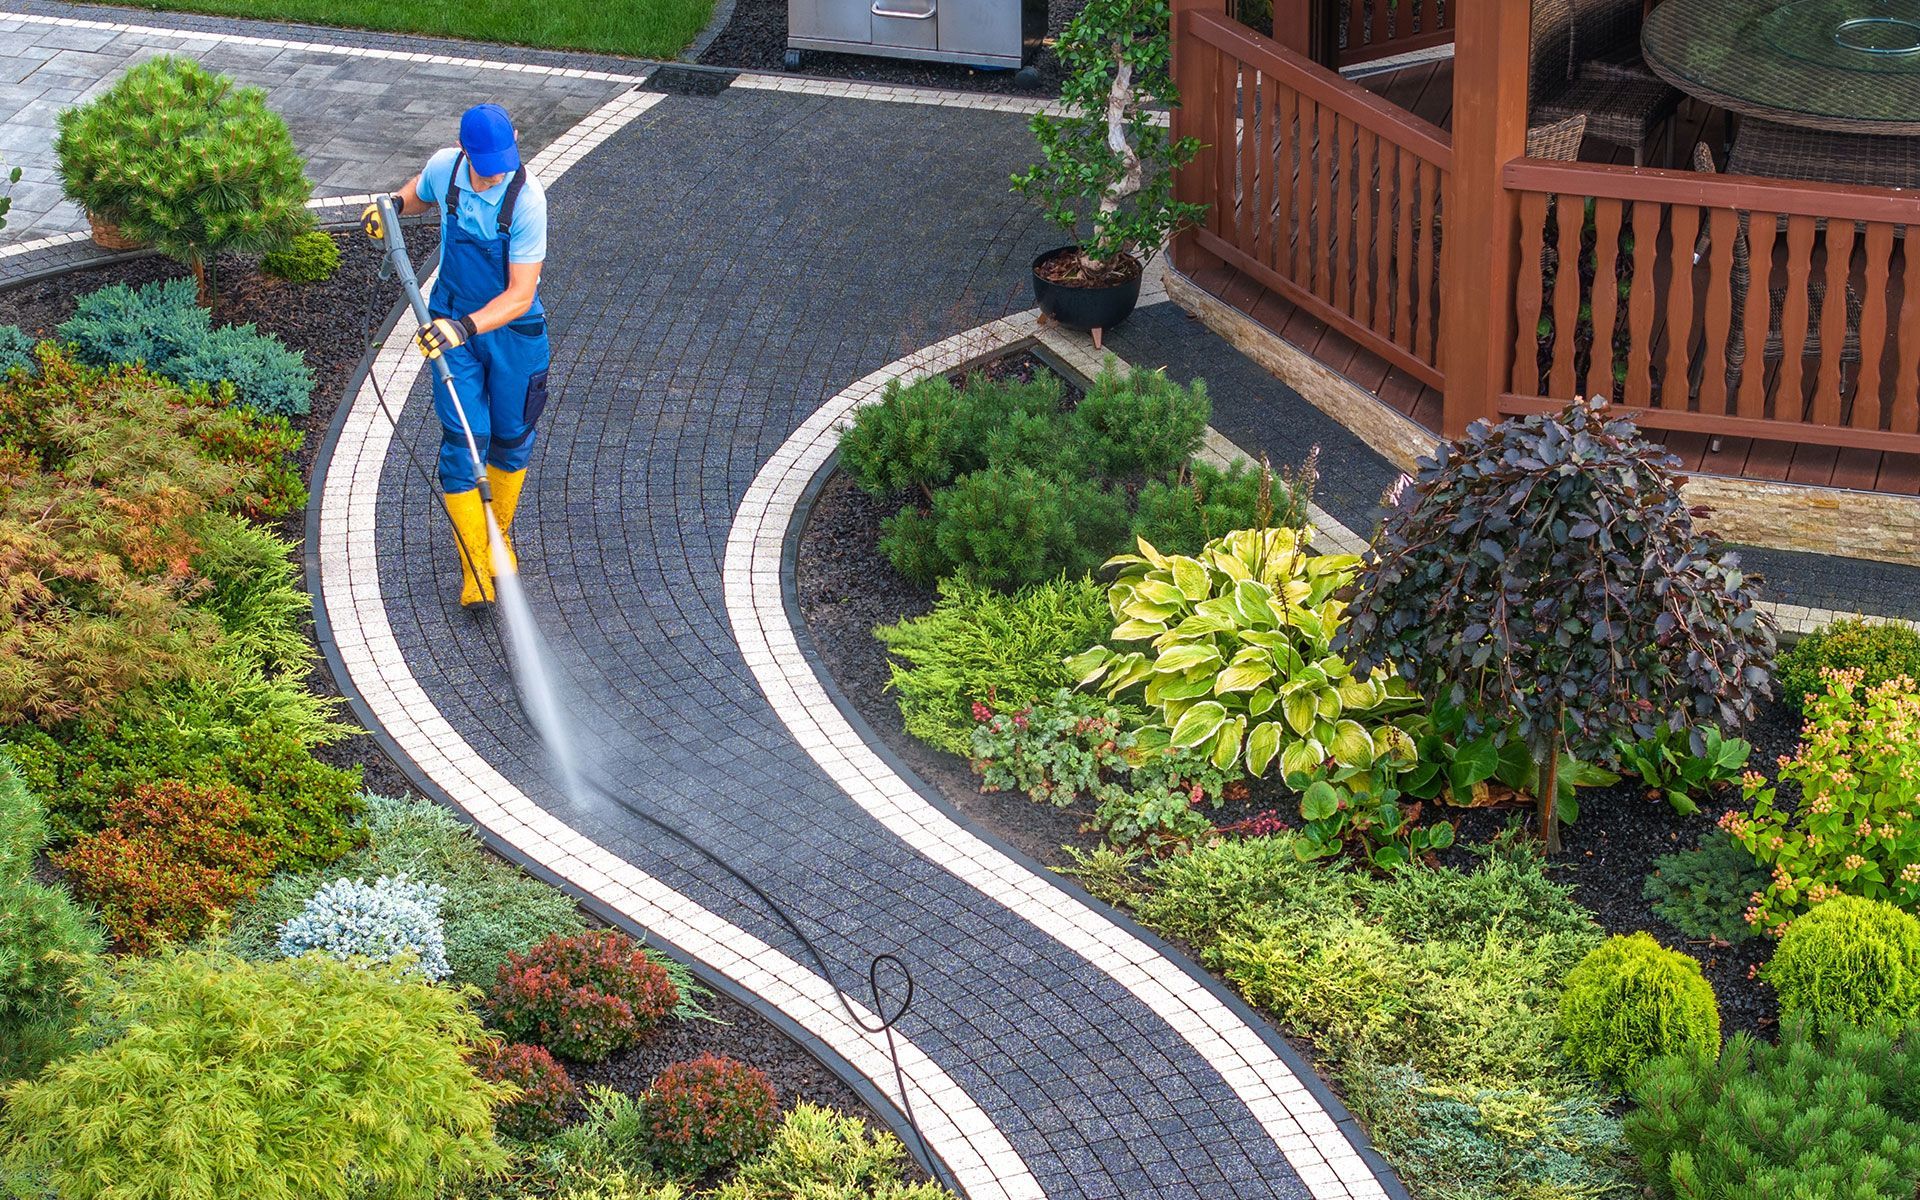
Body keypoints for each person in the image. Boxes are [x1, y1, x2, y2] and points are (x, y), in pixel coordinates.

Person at [363, 103, 550, 609]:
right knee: (466, 439)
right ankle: (474, 563)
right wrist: (394, 208)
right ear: (464, 149)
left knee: (511, 437)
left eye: (503, 160)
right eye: (486, 163)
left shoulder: (527, 201)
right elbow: (417, 192)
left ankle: (498, 537)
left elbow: (518, 295)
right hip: (451, 323)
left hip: (512, 332)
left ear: (516, 136)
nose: (495, 173)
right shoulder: (446, 167)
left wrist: (461, 328)